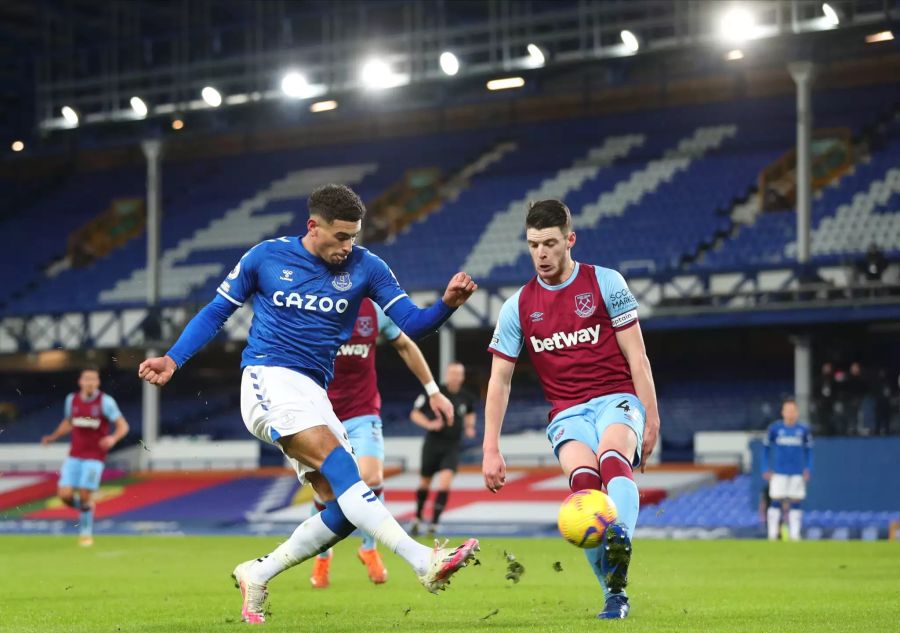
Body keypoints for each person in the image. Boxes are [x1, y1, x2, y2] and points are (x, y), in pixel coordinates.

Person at [138, 184, 479, 624]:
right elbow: (216, 311)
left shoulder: (367, 266)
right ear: (312, 226)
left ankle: (258, 572)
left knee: (345, 506)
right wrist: (173, 358)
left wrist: (447, 305)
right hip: (267, 378)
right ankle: (421, 561)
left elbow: (413, 323)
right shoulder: (265, 257)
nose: (348, 246)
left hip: (315, 393)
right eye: (340, 236)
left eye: (354, 236)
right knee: (345, 473)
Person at [481, 199, 660, 621]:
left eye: (550, 243)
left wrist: (651, 417)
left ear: (570, 240)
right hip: (568, 413)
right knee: (584, 490)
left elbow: (638, 358)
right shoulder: (518, 307)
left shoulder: (605, 282)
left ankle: (620, 539)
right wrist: (491, 447)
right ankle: (615, 593)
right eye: (533, 245)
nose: (541, 253)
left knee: (613, 459)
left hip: (616, 397)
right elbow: (499, 381)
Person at [309, 297, 455, 589]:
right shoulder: (315, 308)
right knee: (327, 490)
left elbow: (404, 344)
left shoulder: (374, 310)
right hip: (322, 413)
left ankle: (368, 548)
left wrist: (433, 391)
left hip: (363, 412)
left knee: (372, 476)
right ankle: (323, 555)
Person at [41, 365, 129, 546]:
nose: (90, 383)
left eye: (93, 379)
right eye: (86, 379)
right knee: (64, 495)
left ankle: (86, 532)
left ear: (98, 382)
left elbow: (123, 426)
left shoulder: (106, 402)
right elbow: (69, 422)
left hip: (95, 456)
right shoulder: (71, 400)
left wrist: (112, 439)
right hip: (75, 454)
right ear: (80, 382)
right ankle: (86, 508)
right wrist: (53, 437)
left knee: (84, 492)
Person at [409, 362, 478, 536]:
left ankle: (434, 522)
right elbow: (415, 413)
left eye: (459, 374)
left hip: (452, 446)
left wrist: (469, 427)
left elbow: (470, 412)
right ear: (447, 375)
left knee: (445, 483)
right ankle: (417, 517)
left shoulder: (467, 396)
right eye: (452, 373)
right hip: (433, 444)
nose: (456, 377)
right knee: (425, 482)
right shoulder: (435, 394)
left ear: (462, 377)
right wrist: (429, 424)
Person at [763, 397, 813, 541]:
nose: (790, 413)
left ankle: (795, 535)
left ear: (797, 413)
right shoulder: (775, 429)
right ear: (783, 412)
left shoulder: (803, 430)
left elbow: (809, 451)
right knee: (775, 501)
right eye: (788, 410)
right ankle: (772, 535)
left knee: (796, 502)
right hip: (779, 472)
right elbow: (765, 449)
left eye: (793, 410)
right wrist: (765, 467)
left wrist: (808, 468)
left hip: (797, 472)